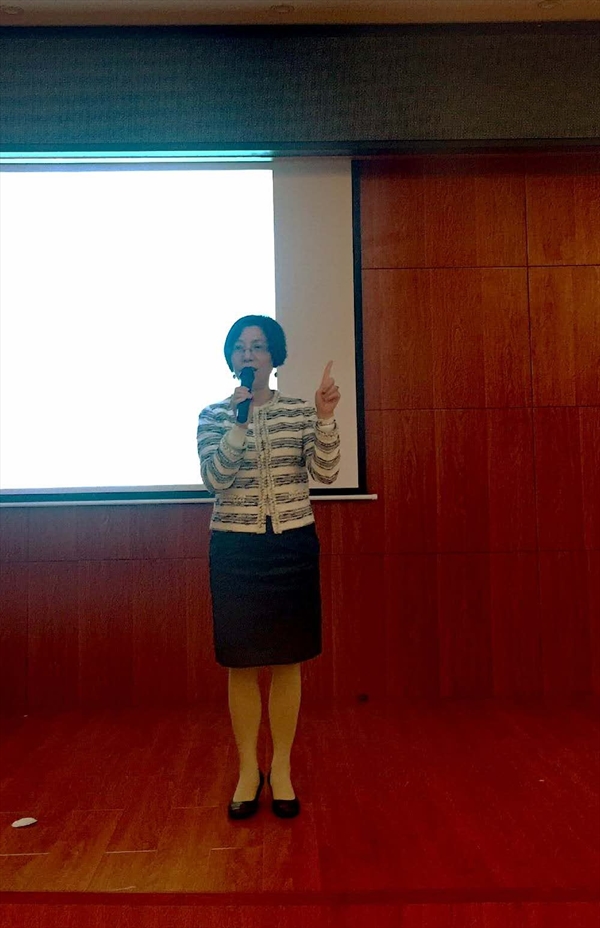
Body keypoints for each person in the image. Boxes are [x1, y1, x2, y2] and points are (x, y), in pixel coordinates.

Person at [196, 315, 340, 820]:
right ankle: (246, 771)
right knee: (240, 662)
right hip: (236, 550)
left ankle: (280, 768)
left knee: (286, 660)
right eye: (240, 347)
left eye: (258, 346)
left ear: (274, 357)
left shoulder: (298, 413)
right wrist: (238, 425)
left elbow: (326, 473)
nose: (248, 354)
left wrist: (324, 419)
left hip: (291, 546)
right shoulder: (214, 416)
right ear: (231, 359)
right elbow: (215, 479)